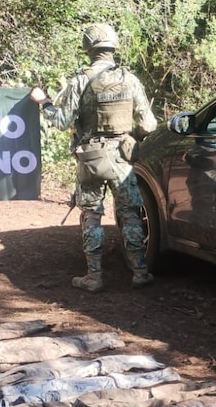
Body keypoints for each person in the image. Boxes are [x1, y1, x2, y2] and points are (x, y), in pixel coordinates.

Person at [30, 23, 158, 292]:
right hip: (122, 158)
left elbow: (63, 121)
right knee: (131, 215)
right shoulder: (130, 80)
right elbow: (149, 124)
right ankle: (139, 272)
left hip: (91, 158)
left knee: (91, 215)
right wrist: (128, 136)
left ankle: (94, 277)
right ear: (113, 47)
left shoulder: (80, 81)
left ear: (88, 48)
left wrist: (44, 102)